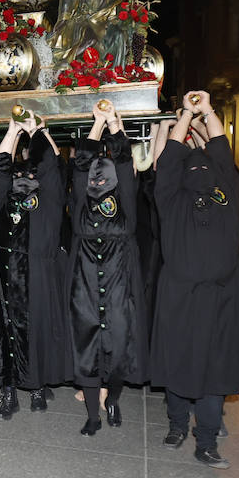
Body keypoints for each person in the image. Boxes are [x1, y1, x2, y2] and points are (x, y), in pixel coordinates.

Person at [149, 91, 239, 470]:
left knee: (215, 368)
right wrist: (185, 116)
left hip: (222, 296)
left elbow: (221, 150)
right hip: (180, 295)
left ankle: (206, 440)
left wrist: (207, 111)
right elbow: (169, 160)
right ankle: (176, 426)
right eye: (193, 168)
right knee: (177, 361)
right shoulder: (170, 198)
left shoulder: (227, 194)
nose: (200, 171)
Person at [70, 101, 147, 433]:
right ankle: (92, 415)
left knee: (118, 341)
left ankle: (112, 399)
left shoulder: (125, 202)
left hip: (119, 277)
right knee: (87, 345)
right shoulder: (80, 206)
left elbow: (127, 163)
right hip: (84, 279)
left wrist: (115, 125)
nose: (98, 183)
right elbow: (79, 165)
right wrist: (97, 125)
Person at [0, 114, 69, 419]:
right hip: (3, 274)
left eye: (30, 175)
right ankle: (8, 391)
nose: (25, 179)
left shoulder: (49, 199)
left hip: (37, 274)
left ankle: (36, 385)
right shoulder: (3, 197)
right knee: (3, 333)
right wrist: (13, 129)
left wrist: (38, 131)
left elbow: (51, 166)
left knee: (37, 331)